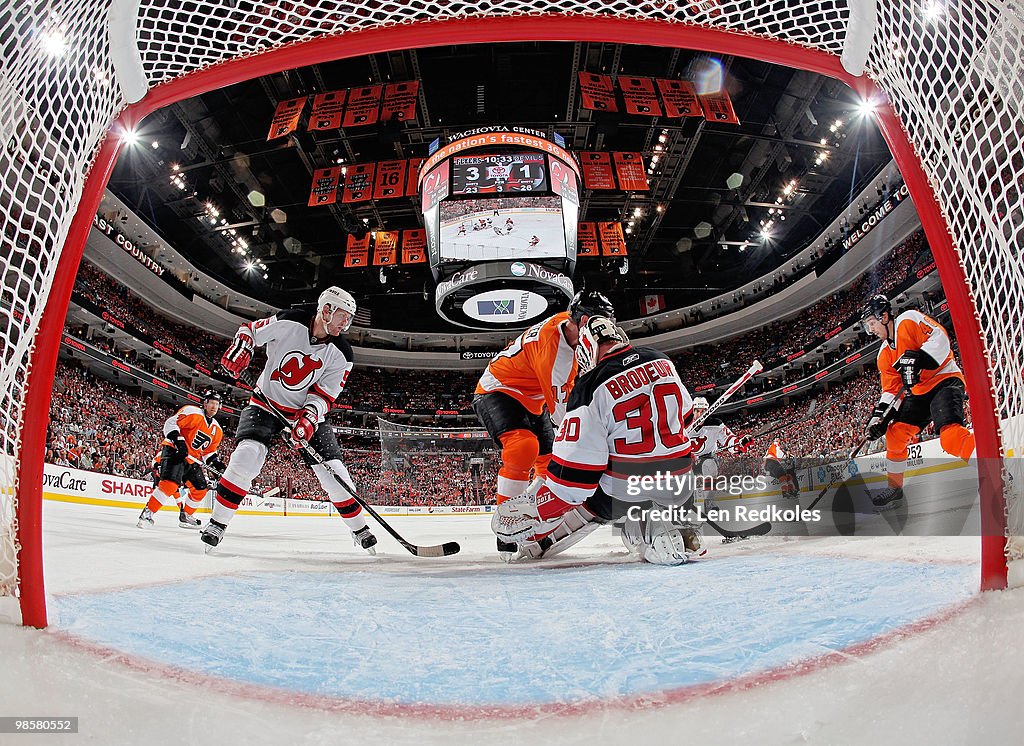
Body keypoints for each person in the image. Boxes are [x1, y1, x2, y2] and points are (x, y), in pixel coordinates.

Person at [492, 316, 705, 566]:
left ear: (586, 350)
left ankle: (640, 526)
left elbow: (574, 480)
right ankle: (672, 520)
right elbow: (687, 418)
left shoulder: (588, 387)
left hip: (624, 490)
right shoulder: (662, 360)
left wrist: (538, 510)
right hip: (680, 482)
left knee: (584, 498)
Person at [205, 286, 377, 552]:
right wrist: (242, 348)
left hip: (303, 415)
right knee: (246, 457)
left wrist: (308, 419)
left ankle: (359, 529)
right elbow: (250, 331)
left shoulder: (343, 354)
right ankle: (217, 523)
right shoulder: (289, 321)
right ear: (327, 310)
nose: (347, 323)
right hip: (265, 404)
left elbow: (324, 395)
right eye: (344, 315)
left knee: (333, 473)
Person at [473, 290, 614, 556]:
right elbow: (564, 416)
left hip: (531, 396)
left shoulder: (568, 330)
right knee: (523, 447)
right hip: (498, 390)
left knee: (549, 462)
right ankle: (507, 529)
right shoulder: (556, 351)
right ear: (585, 323)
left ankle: (530, 513)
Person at [860, 294, 975, 509]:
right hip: (919, 393)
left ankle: (995, 470)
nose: (871, 330)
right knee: (895, 434)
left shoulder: (908, 319)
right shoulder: (884, 355)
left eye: (872, 323)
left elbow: (940, 337)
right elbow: (891, 391)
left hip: (944, 379)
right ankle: (895, 488)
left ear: (884, 316)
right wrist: (879, 419)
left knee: (950, 437)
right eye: (868, 326)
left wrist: (919, 357)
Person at [137, 390, 225, 529]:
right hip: (174, 451)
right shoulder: (192, 412)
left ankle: (186, 516)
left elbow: (209, 452)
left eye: (217, 404)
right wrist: (179, 442)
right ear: (205, 403)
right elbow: (170, 424)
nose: (214, 406)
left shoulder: (217, 430)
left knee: (200, 489)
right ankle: (147, 514)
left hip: (191, 459)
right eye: (211, 403)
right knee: (169, 484)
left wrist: (217, 466)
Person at [687, 396, 753, 537]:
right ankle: (684, 507)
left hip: (706, 457)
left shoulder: (716, 424)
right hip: (687, 459)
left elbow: (729, 440)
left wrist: (740, 443)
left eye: (703, 411)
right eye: (697, 411)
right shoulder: (683, 424)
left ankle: (709, 502)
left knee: (711, 467)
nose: (700, 414)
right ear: (692, 411)